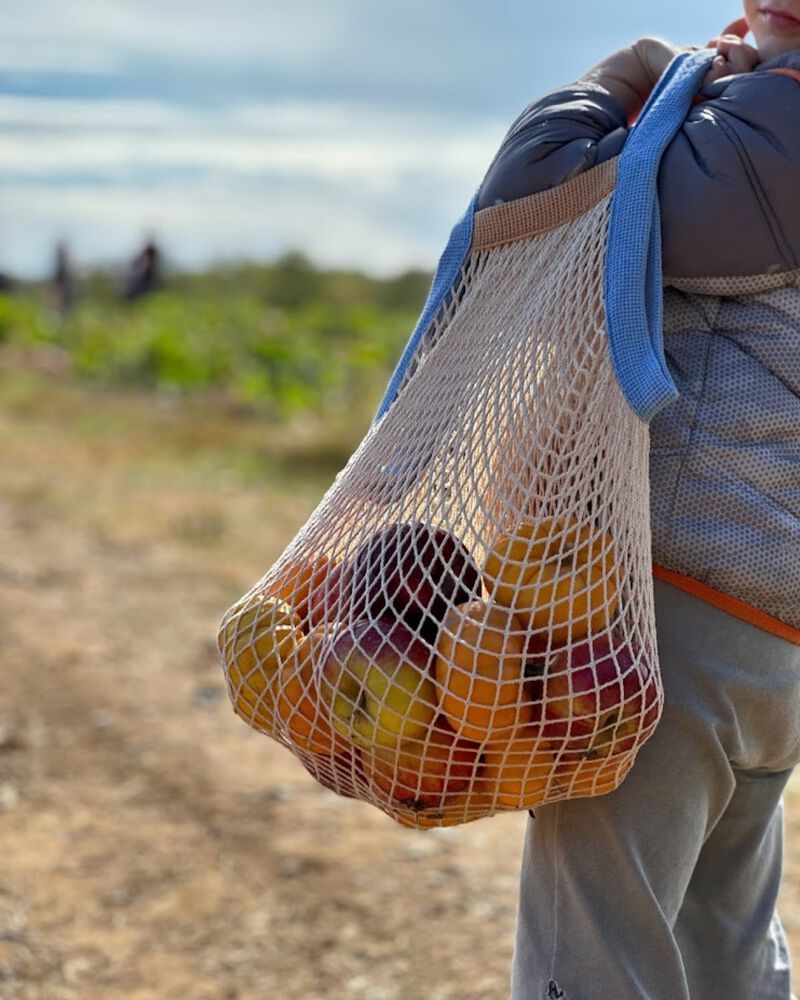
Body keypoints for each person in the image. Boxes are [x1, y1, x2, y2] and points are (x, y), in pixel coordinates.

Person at [477, 8, 800, 999]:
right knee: (722, 940)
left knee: (599, 942)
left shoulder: (776, 128)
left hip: (666, 613)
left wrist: (636, 69)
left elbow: (534, 198)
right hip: (770, 623)